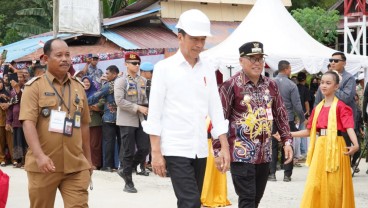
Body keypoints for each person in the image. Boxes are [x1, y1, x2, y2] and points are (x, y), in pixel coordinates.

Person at [143, 9, 230, 208]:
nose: (199, 45)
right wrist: (156, 153)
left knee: (191, 202)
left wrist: (224, 146)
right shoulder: (164, 68)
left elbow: (215, 109)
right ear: (180, 36)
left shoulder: (207, 67)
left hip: (200, 148)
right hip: (175, 146)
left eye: (202, 39)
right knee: (190, 202)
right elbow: (154, 113)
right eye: (194, 39)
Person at [219, 41, 293, 207]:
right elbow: (219, 120)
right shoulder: (230, 86)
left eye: (260, 59)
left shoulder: (271, 84)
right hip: (241, 153)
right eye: (252, 59)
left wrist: (287, 141)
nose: (257, 63)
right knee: (247, 199)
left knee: (255, 200)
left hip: (265, 154)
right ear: (241, 60)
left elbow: (281, 114)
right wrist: (219, 150)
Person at [19, 38, 92, 208]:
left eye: (67, 55)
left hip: (76, 166)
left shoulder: (78, 87)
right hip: (44, 166)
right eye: (59, 55)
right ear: (45, 59)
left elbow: (84, 124)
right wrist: (39, 156)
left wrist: (88, 160)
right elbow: (27, 122)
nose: (65, 59)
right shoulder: (34, 87)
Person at [291, 71, 359, 207]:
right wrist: (288, 134)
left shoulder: (341, 107)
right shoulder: (317, 109)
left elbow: (349, 126)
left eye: (328, 83)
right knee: (315, 183)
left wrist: (356, 144)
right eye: (322, 82)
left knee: (335, 184)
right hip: (321, 147)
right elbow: (309, 132)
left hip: (337, 145)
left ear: (336, 86)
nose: (324, 86)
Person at [114, 52, 150, 193]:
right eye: (133, 63)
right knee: (128, 151)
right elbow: (119, 101)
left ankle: (126, 169)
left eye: (138, 63)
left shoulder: (142, 81)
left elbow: (144, 99)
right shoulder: (121, 81)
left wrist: (146, 107)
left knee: (144, 148)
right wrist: (137, 107)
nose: (136, 66)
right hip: (126, 119)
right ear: (126, 64)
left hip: (141, 119)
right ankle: (128, 183)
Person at [273, 60, 305, 182]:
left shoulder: (270, 83)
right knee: (288, 143)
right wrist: (302, 119)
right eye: (290, 69)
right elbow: (297, 104)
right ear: (286, 69)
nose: (290, 71)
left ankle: (272, 174)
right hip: (287, 118)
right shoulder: (292, 85)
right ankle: (287, 174)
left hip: (273, 119)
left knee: (272, 145)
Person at [88, 65, 120, 172]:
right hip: (121, 118)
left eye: (108, 73)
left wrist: (84, 102)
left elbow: (96, 96)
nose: (106, 75)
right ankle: (120, 165)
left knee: (108, 143)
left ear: (114, 74)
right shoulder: (122, 83)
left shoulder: (109, 85)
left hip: (109, 118)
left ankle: (107, 166)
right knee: (121, 143)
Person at [82, 76, 103, 170]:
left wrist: (89, 106)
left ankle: (95, 163)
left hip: (94, 121)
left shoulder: (96, 94)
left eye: (88, 82)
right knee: (83, 143)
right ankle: (84, 162)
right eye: (84, 82)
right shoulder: (79, 93)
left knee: (94, 144)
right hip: (82, 122)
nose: (86, 84)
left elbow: (98, 106)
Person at [296, 72, 311, 158]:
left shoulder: (294, 87)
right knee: (303, 132)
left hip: (295, 113)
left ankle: (298, 152)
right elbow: (306, 102)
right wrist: (308, 112)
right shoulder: (305, 89)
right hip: (303, 113)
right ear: (305, 79)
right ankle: (303, 151)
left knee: (296, 132)